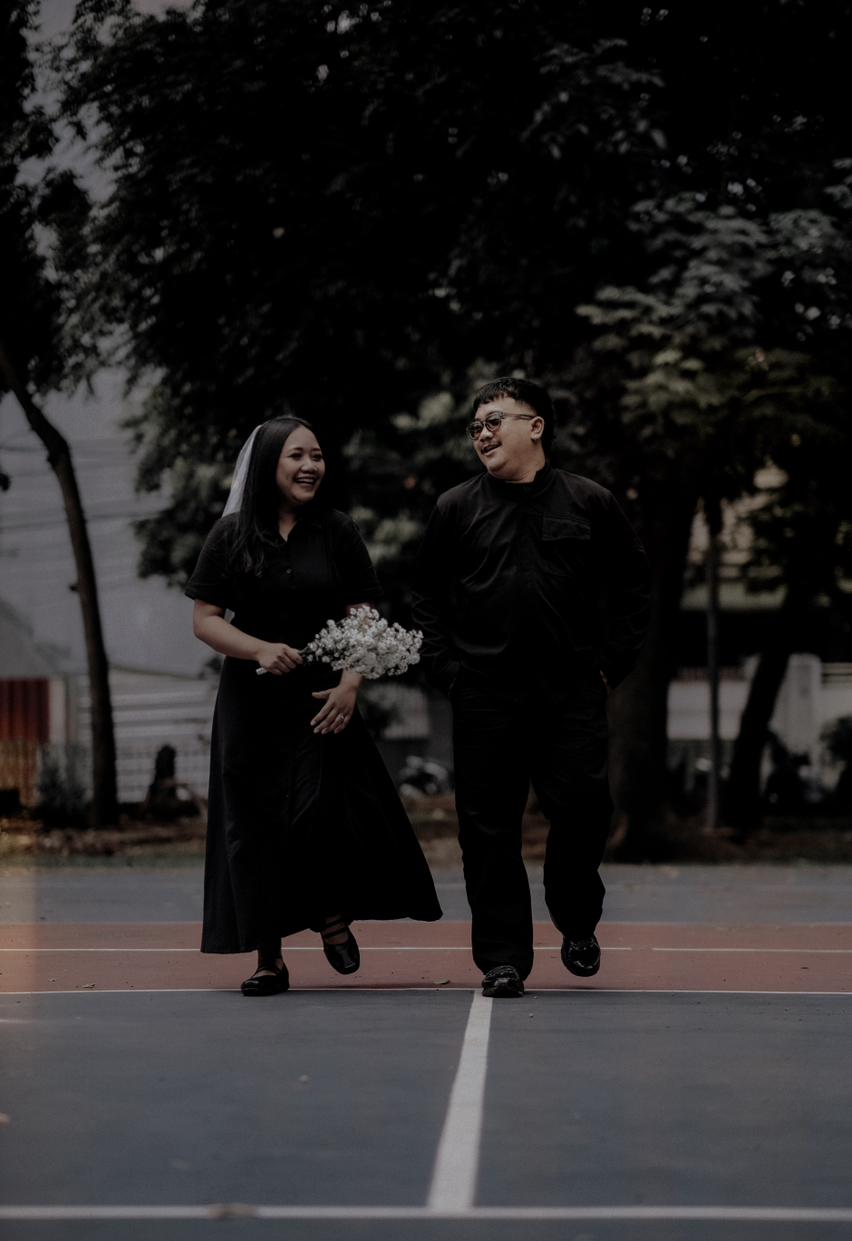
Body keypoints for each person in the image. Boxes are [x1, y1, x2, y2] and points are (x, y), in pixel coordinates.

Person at [186, 415, 442, 995]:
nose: (310, 466)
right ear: (268, 465)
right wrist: (258, 648)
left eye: (317, 456)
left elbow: (364, 615)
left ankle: (330, 913)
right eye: (297, 456)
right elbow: (205, 620)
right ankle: (269, 960)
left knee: (316, 813)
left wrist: (352, 683)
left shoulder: (337, 530)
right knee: (255, 827)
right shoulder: (230, 535)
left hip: (322, 699)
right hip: (250, 704)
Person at [411, 377, 649, 998]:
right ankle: (503, 957)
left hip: (571, 692)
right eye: (475, 427)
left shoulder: (590, 501)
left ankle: (576, 918)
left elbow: (634, 586)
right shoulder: (455, 508)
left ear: (535, 426)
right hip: (484, 693)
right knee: (486, 828)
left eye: (494, 421)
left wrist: (611, 665)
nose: (482, 434)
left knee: (584, 811)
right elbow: (425, 596)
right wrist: (447, 672)